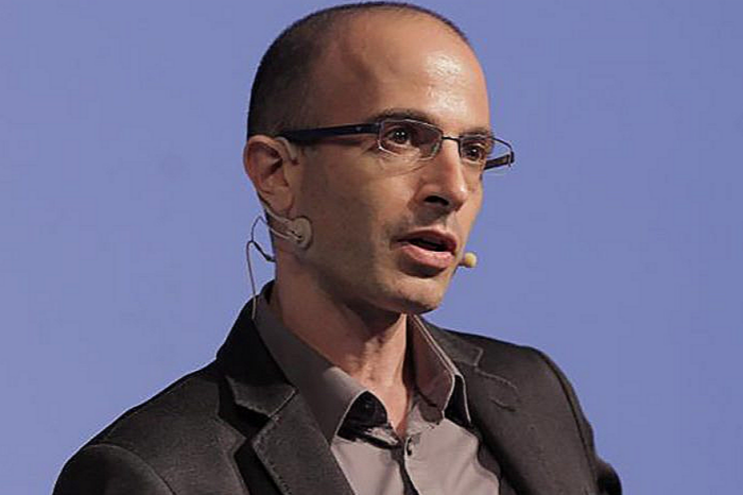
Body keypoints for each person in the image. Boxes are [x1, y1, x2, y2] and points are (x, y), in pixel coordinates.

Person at [53, 3, 621, 494]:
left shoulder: (535, 393)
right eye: (401, 137)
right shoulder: (157, 474)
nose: (453, 188)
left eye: (473, 151)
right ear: (276, 173)